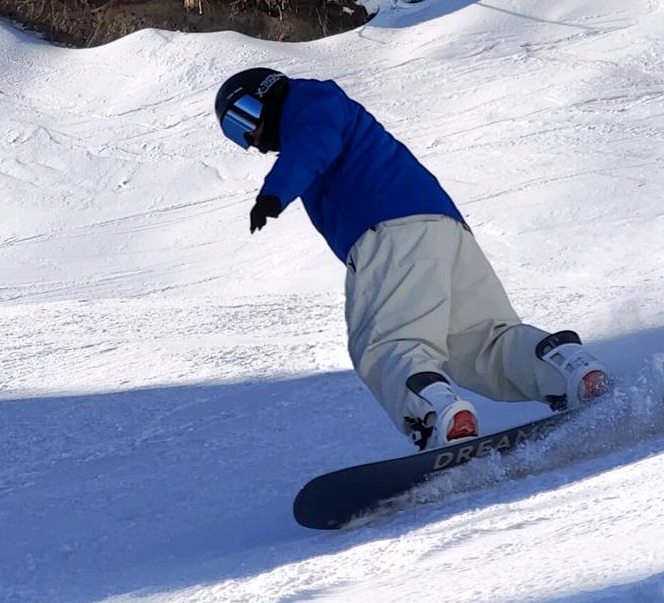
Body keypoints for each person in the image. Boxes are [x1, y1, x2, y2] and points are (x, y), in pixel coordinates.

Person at [215, 67, 608, 451]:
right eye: (236, 134)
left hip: (389, 231)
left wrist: (274, 193)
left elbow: (313, 143)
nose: (250, 138)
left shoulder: (310, 103)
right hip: (444, 231)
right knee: (480, 340)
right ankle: (571, 372)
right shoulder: (321, 113)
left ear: (266, 94)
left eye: (243, 118)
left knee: (388, 344)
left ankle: (438, 415)